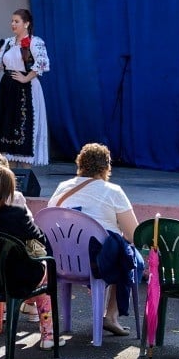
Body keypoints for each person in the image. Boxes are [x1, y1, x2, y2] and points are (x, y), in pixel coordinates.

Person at [0, 165, 62, 350]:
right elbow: (41, 240)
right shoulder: (17, 214)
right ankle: (48, 334)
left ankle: (28, 311)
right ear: (10, 189)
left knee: (37, 267)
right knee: (46, 266)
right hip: (16, 281)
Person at [48, 142, 142, 336]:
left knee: (117, 250)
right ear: (107, 167)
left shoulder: (62, 187)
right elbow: (134, 234)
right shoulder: (113, 191)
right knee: (128, 256)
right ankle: (111, 315)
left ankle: (68, 324)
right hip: (97, 264)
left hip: (62, 262)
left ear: (79, 164)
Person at [0, 8, 50, 167]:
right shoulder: (7, 43)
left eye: (16, 21)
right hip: (7, 90)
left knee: (23, 130)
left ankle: (25, 175)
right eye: (12, 21)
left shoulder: (35, 42)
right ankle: (11, 179)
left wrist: (25, 78)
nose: (13, 24)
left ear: (26, 24)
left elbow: (42, 63)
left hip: (25, 90)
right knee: (7, 131)